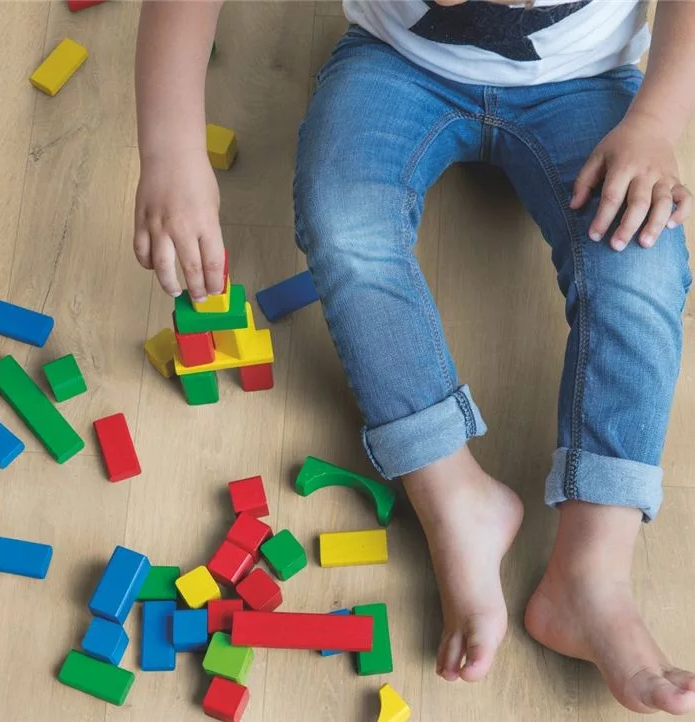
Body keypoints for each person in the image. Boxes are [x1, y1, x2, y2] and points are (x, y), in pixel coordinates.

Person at [134, 0, 695, 714]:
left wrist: (656, 121)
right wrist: (172, 152)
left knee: (641, 266)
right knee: (345, 223)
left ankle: (592, 571)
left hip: (588, 80)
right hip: (396, 60)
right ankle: (454, 497)